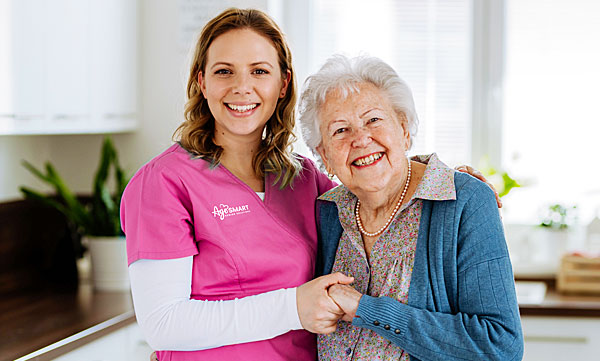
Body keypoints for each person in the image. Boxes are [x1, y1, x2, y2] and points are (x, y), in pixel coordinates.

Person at [122, 7, 501, 361]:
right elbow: (162, 325)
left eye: (259, 71)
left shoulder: (302, 179)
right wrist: (292, 308)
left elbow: (368, 172)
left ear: (283, 83)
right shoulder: (163, 183)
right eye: (224, 71)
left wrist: (445, 180)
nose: (242, 87)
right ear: (201, 82)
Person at [298, 54, 523, 360]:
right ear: (324, 155)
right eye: (340, 130)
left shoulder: (463, 201)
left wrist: (365, 308)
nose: (361, 139)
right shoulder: (327, 212)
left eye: (373, 119)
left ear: (404, 129)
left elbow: (500, 347)